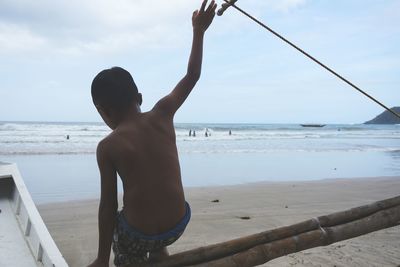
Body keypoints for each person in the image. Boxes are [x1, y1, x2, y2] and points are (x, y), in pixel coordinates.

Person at [87, 1, 217, 266]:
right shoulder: (164, 112)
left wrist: (101, 259)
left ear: (103, 111)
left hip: (138, 235)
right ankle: (160, 251)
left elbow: (108, 208)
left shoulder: (108, 147)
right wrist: (199, 32)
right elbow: (192, 75)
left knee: (121, 238)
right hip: (178, 225)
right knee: (151, 228)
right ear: (140, 97)